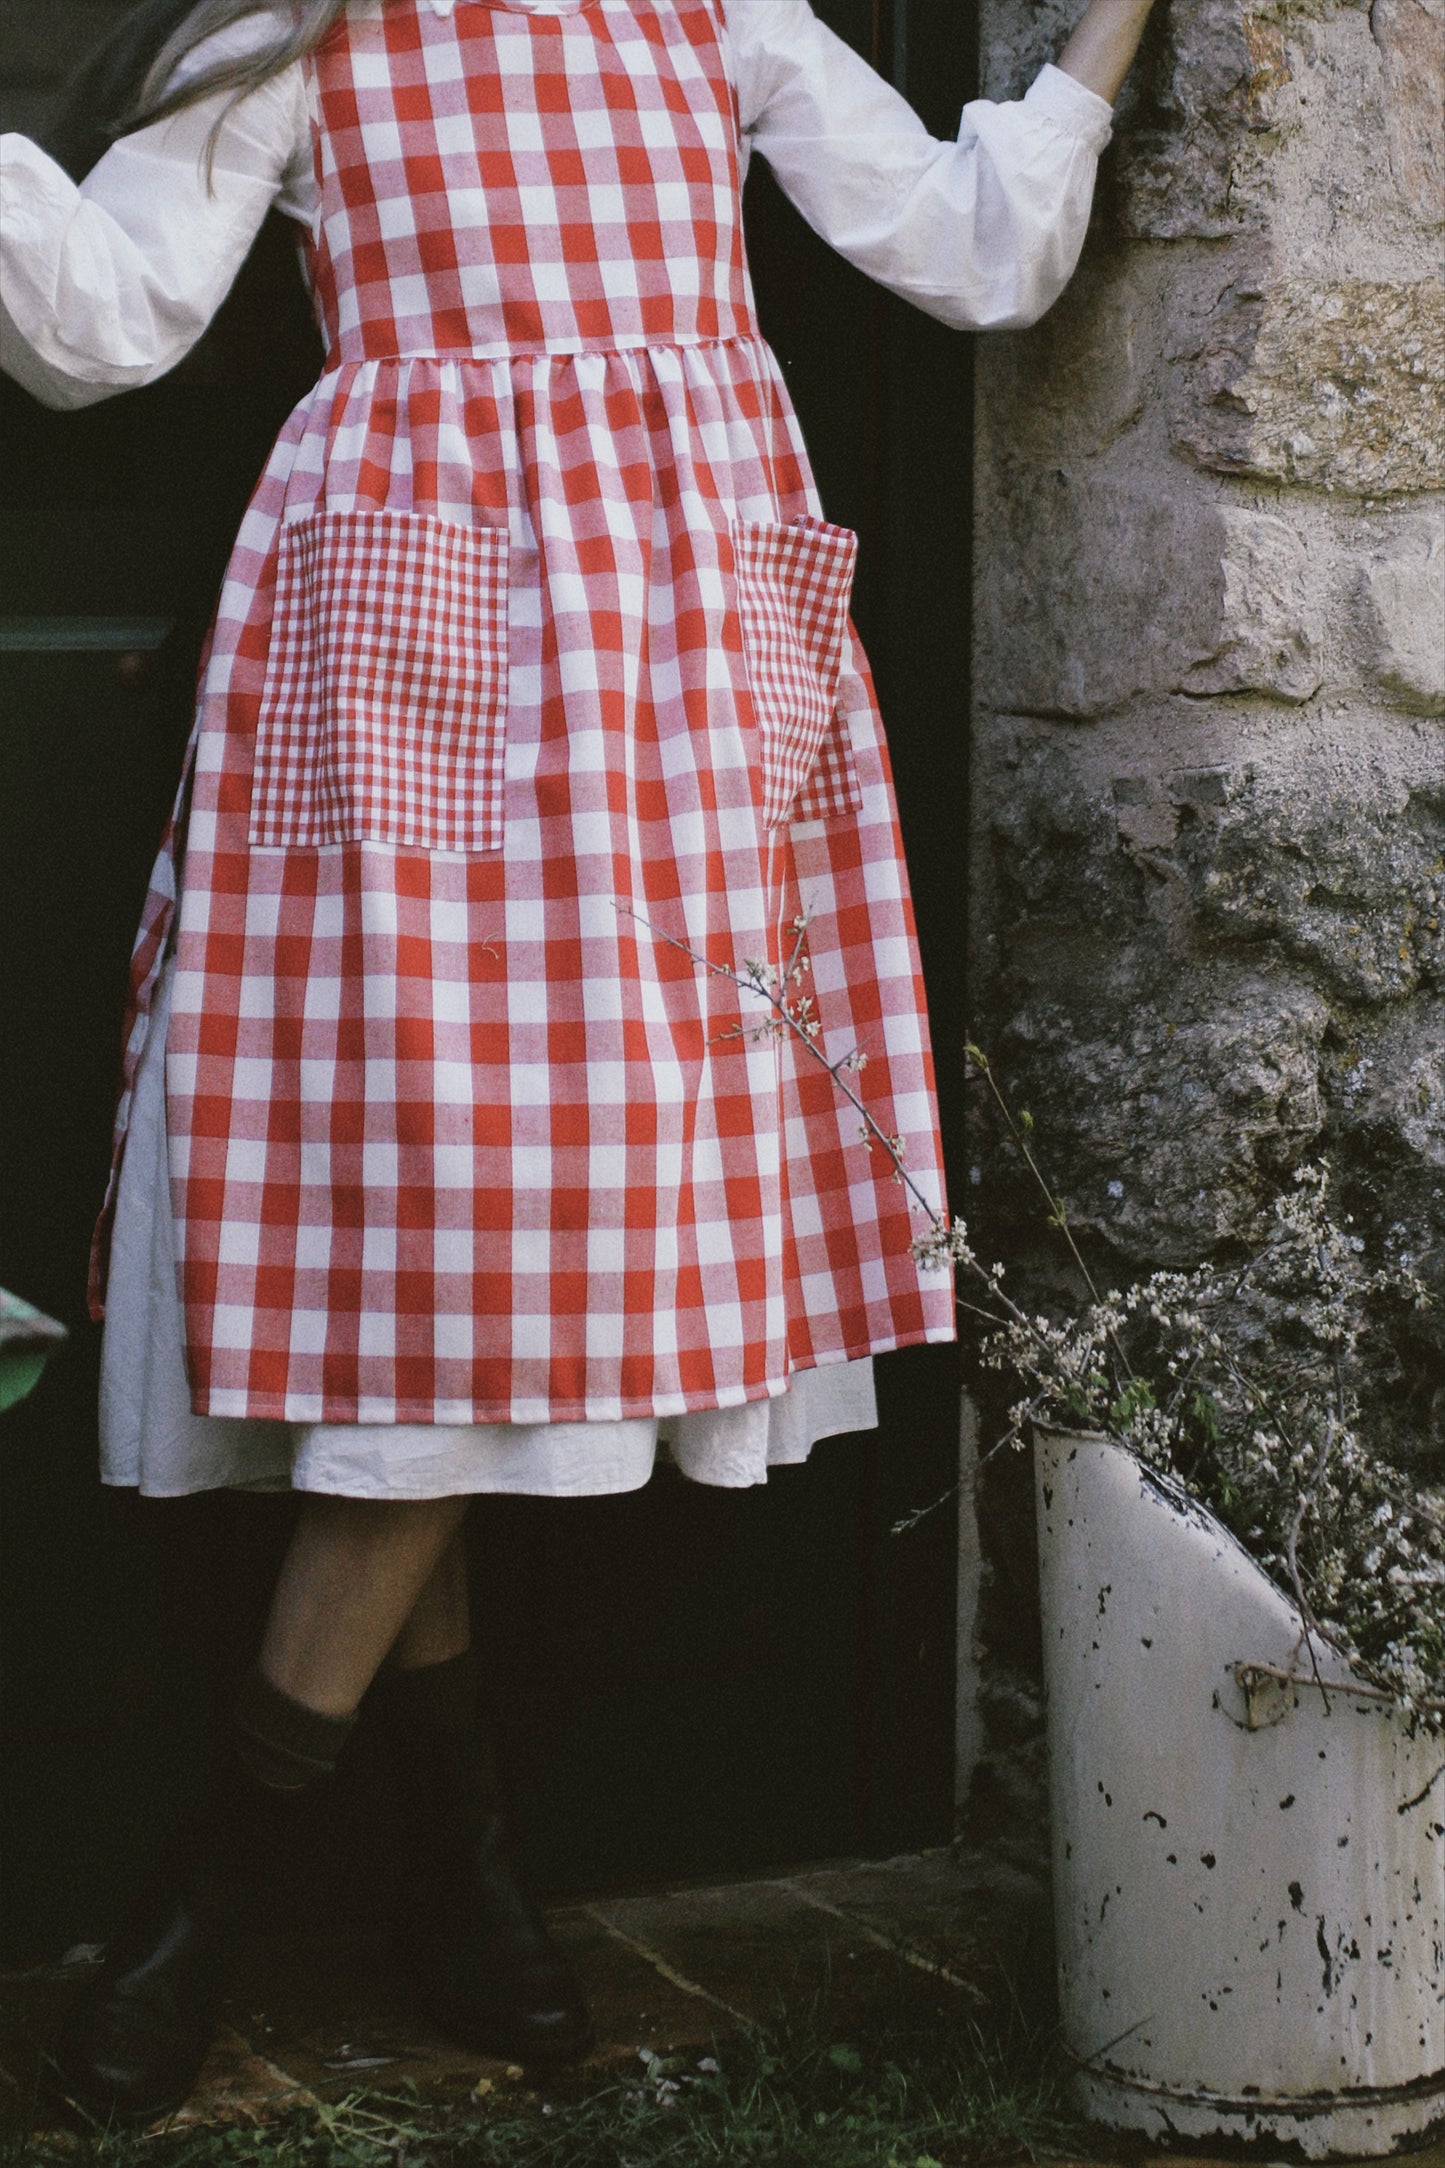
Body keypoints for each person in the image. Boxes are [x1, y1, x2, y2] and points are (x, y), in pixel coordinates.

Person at [1, 0, 1155, 2124]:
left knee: (529, 1252)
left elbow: (970, 246)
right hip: (402, 670)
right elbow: (101, 316)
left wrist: (1098, 43)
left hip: (674, 710)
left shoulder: (722, 16)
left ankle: (322, 1876)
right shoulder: (312, 40)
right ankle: (426, 1874)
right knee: (446, 1248)